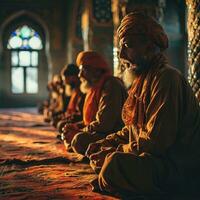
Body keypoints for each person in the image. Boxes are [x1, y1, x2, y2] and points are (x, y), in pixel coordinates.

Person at [86, 12, 200, 196]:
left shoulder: (166, 78)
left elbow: (156, 142)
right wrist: (104, 143)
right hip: (151, 158)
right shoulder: (142, 81)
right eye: (120, 48)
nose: (122, 55)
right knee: (105, 158)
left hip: (176, 167)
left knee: (114, 165)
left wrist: (115, 150)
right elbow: (132, 130)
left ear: (149, 45)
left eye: (128, 46)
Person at [61, 51, 127, 155]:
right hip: (98, 130)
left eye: (84, 70)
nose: (80, 75)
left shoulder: (111, 85)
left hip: (112, 133)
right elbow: (90, 120)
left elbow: (104, 124)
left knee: (79, 140)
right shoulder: (93, 88)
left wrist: (80, 131)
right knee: (70, 131)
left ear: (97, 71)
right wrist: (76, 127)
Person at [53, 64, 85, 132]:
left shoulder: (83, 89)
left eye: (65, 79)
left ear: (73, 77)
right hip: (75, 118)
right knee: (58, 123)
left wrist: (69, 117)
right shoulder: (74, 90)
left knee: (61, 125)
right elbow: (68, 109)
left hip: (82, 121)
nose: (64, 83)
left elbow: (81, 114)